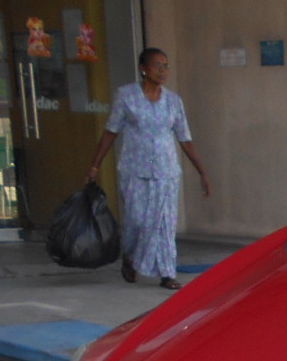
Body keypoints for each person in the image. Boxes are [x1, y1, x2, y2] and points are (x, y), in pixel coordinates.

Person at [87, 47, 210, 290]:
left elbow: (185, 138)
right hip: (135, 170)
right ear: (143, 69)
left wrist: (202, 172)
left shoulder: (173, 101)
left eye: (166, 66)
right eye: (157, 65)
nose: (162, 71)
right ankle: (130, 257)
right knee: (137, 222)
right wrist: (95, 165)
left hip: (166, 171)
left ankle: (167, 272)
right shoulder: (126, 96)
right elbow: (111, 132)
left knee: (164, 224)